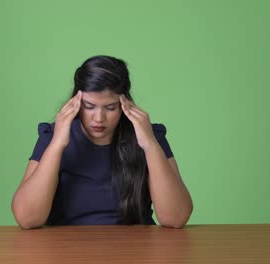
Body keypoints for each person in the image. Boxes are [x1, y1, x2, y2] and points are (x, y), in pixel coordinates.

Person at [12, 55, 193, 229]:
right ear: (76, 101)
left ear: (124, 104)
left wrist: (150, 144)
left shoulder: (150, 135)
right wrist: (58, 144)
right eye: (89, 106)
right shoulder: (51, 136)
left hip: (136, 250)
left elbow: (176, 218)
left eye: (111, 107)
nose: (99, 118)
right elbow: (27, 218)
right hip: (66, 250)